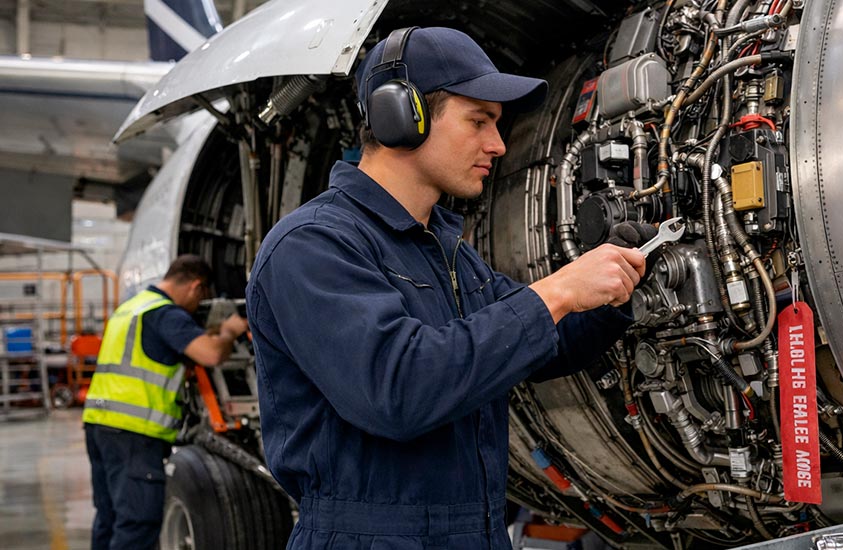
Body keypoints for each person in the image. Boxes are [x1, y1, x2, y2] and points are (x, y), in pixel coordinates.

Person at [246, 26, 656, 549]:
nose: (498, 145)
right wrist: (556, 292)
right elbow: (399, 390)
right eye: (478, 121)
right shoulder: (313, 245)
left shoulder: (447, 252)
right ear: (401, 117)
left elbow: (542, 341)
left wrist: (619, 280)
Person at [83, 255, 248, 550]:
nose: (196, 307)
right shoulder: (166, 315)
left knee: (110, 518)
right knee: (138, 523)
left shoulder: (131, 308)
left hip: (100, 425)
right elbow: (211, 354)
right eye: (200, 299)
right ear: (196, 286)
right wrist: (229, 331)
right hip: (133, 433)